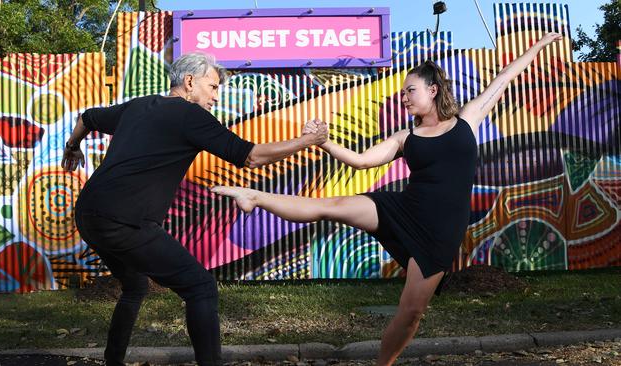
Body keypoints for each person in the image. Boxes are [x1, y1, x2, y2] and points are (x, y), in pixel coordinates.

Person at [212, 33, 563, 365]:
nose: (405, 97)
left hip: (440, 231)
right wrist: (323, 142)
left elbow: (504, 77)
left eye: (410, 90)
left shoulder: (467, 120)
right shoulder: (404, 137)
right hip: (403, 209)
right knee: (330, 206)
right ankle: (254, 196)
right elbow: (361, 160)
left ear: (433, 89)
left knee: (410, 313)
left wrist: (540, 46)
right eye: (403, 93)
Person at [61, 51, 327, 366]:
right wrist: (306, 141)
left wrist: (72, 147)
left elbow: (88, 118)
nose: (216, 96)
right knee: (201, 287)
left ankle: (113, 362)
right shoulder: (191, 116)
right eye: (213, 87)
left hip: (89, 213)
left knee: (134, 286)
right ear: (190, 82)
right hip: (125, 221)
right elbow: (251, 156)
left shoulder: (140, 105)